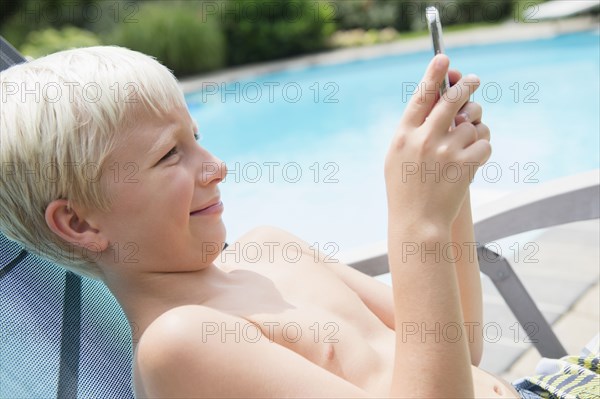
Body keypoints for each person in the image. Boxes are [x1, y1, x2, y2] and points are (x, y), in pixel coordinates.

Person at [0, 45, 529, 398]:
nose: (216, 166)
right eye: (168, 155)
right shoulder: (182, 344)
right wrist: (419, 223)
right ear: (78, 222)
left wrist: (449, 193)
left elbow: (461, 346)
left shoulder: (272, 249)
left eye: (196, 137)